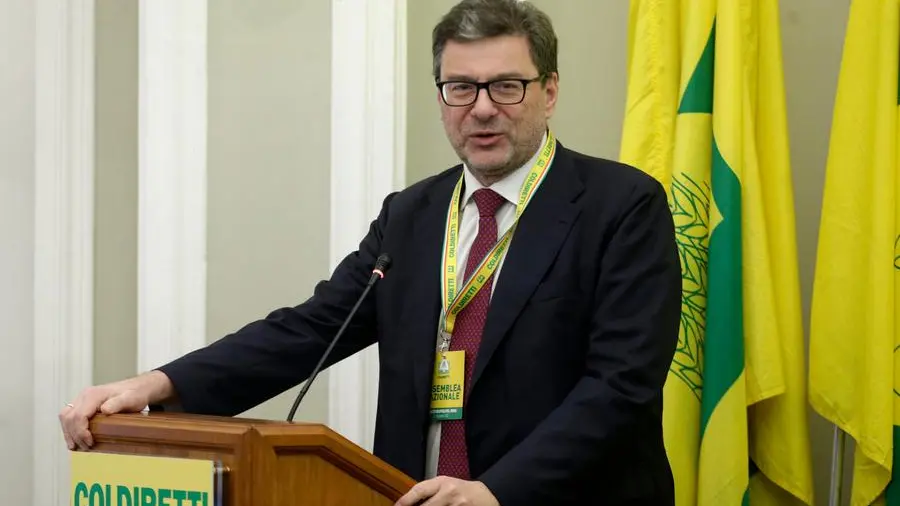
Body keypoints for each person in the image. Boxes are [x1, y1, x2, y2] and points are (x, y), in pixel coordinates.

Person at [60, 0, 681, 504]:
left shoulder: (621, 206)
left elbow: (620, 385)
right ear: (441, 97)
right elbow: (310, 329)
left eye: (506, 86)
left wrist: (498, 491)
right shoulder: (411, 216)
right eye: (461, 87)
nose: (483, 108)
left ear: (549, 92)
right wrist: (157, 383)